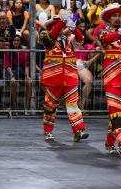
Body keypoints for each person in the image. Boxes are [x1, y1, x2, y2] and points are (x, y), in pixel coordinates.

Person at [38, 11, 89, 143]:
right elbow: (52, 36)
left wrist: (73, 26)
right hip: (54, 78)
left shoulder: (68, 39)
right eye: (57, 25)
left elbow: (80, 39)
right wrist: (61, 21)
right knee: (50, 105)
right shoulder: (45, 36)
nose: (60, 28)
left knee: (73, 104)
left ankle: (78, 130)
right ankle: (48, 130)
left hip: (70, 77)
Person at [97, 3, 121, 157]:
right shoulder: (103, 31)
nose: (117, 18)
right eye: (114, 16)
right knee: (116, 112)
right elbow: (106, 39)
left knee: (120, 113)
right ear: (109, 19)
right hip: (111, 78)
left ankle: (109, 141)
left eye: (119, 15)